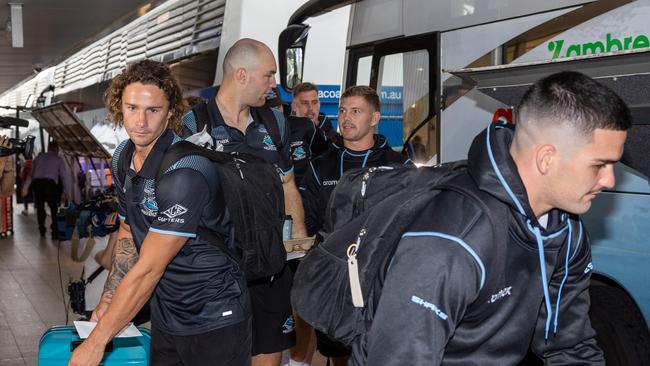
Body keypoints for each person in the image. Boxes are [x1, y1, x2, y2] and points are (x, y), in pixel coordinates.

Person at [349, 71, 629, 365]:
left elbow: (570, 345)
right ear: (547, 159)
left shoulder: (565, 229)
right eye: (600, 164)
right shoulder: (450, 243)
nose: (610, 180)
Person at [69, 59, 251, 366]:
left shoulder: (185, 170)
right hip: (168, 312)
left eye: (153, 110)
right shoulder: (122, 159)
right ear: (119, 108)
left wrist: (97, 343)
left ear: (170, 112)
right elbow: (127, 235)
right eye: (131, 108)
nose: (140, 121)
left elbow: (150, 268)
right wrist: (110, 298)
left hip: (215, 313)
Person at [182, 38, 308, 366]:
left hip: (270, 271)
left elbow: (289, 184)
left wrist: (297, 240)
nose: (273, 85)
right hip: (218, 275)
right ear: (241, 75)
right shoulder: (193, 125)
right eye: (268, 75)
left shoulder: (274, 123)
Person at [299, 86, 410, 365]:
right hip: (336, 282)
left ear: (374, 118)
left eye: (356, 111)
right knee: (340, 357)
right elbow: (308, 223)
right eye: (342, 111)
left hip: (384, 281)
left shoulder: (399, 166)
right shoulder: (319, 165)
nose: (346, 118)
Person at [21, 140, 69, 239]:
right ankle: (55, 232)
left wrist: (25, 187)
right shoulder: (58, 159)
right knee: (53, 209)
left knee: (40, 208)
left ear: (48, 148)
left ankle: (42, 230)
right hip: (49, 185)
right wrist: (65, 192)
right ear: (56, 149)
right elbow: (64, 176)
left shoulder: (39, 158)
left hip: (37, 184)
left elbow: (31, 174)